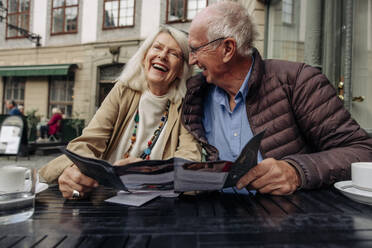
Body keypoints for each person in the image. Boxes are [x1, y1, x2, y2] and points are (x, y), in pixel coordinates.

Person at [182, 1, 372, 195]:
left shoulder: (298, 81)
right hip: (216, 216)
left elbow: (362, 152)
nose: (192, 60)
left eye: (196, 49)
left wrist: (297, 171)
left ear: (228, 49)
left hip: (286, 219)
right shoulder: (196, 93)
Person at [39, 26, 202, 199]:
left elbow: (190, 157)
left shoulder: (187, 104)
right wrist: (76, 171)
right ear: (145, 56)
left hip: (156, 204)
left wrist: (152, 171)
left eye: (174, 54)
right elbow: (89, 142)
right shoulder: (123, 90)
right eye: (157, 47)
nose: (162, 55)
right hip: (103, 196)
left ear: (181, 70)